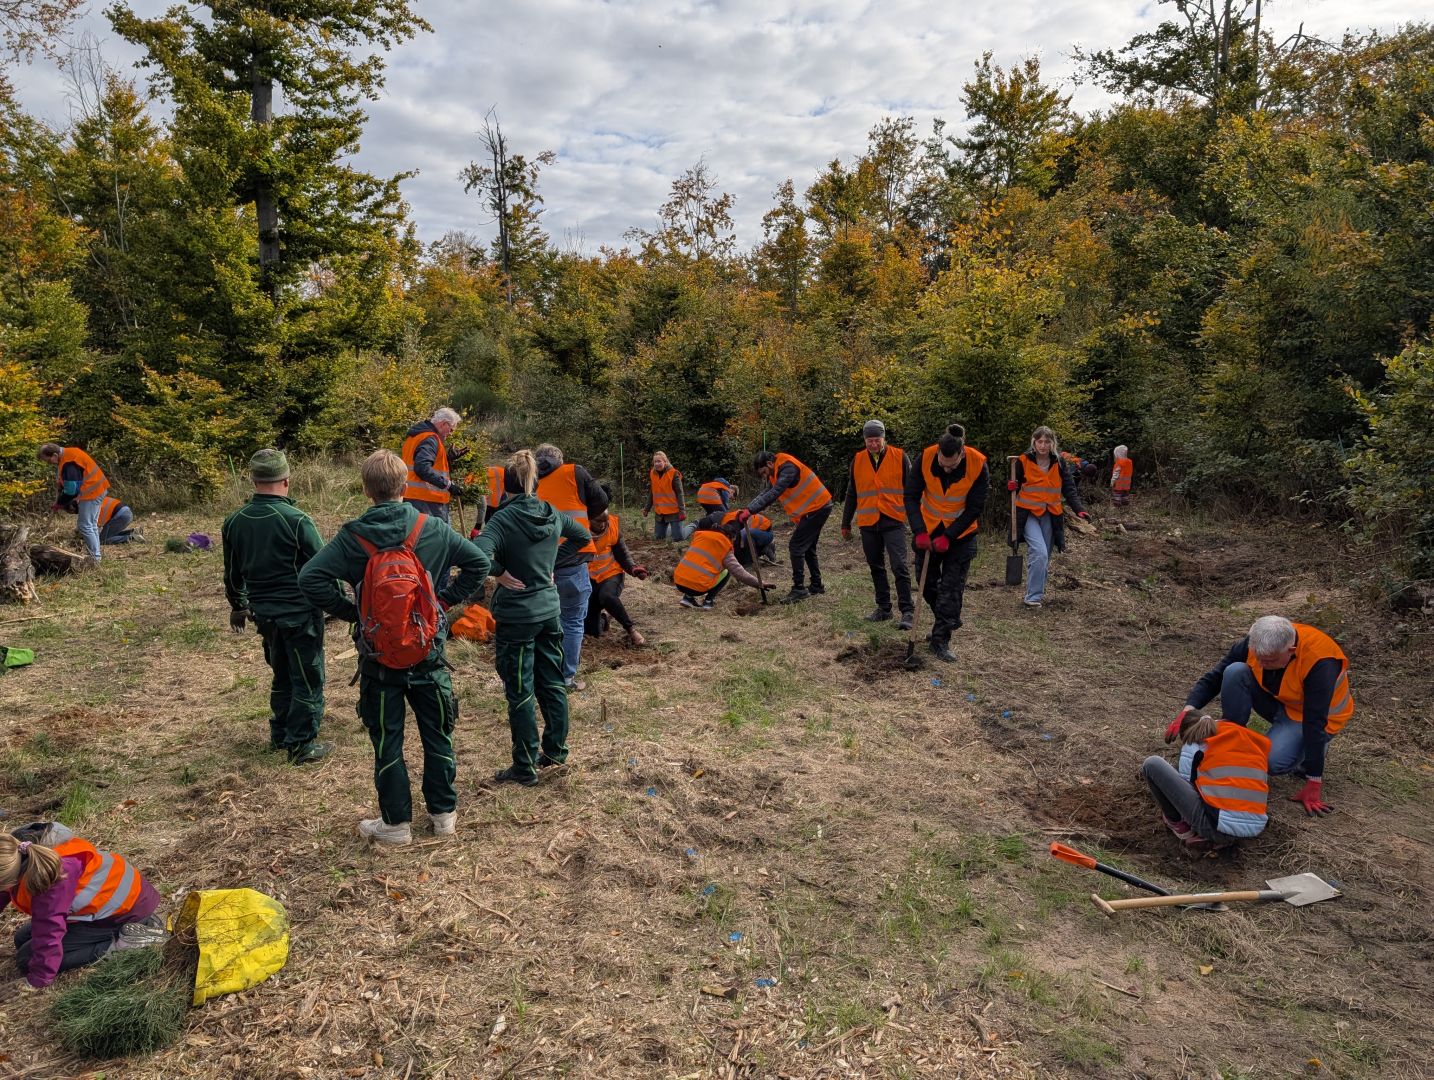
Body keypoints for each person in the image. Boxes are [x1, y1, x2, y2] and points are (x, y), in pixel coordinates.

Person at [299, 450, 490, 846]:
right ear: (405, 486)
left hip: (378, 656)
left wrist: (353, 612)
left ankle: (396, 824)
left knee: (387, 739)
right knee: (438, 734)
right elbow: (478, 563)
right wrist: (442, 603)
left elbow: (311, 578)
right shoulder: (432, 528)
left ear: (367, 490)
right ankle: (444, 816)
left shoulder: (353, 536)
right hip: (427, 652)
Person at [471, 450, 592, 786]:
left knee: (520, 690)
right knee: (552, 683)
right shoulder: (551, 513)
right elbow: (584, 539)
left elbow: (477, 555)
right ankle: (555, 752)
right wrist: (552, 563)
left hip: (517, 617)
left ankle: (524, 766)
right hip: (550, 612)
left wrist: (500, 571)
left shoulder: (502, 520)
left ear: (505, 487)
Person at [1169, 615, 1353, 818]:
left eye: (1270, 660)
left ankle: (1308, 754)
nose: (1262, 665)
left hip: (1313, 718)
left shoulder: (1321, 661)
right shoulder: (1255, 642)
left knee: (1270, 762)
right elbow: (1216, 676)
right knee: (1235, 671)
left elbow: (1315, 722)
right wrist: (1188, 709)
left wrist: (1314, 780)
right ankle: (1232, 738)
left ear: (1290, 651)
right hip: (1280, 700)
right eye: (1259, 658)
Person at [222, 449, 332, 765]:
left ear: (254, 480)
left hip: (264, 615)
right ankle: (300, 744)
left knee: (282, 674)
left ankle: (280, 734)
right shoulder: (297, 520)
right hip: (299, 615)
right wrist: (337, 602)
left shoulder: (234, 522)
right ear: (286, 480)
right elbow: (323, 566)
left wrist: (238, 606)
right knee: (308, 678)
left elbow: (232, 573)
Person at [1, 822, 166, 994]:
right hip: (109, 903)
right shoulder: (14, 850)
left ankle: (126, 944)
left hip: (124, 911)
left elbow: (49, 929)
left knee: (26, 959)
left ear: (10, 880)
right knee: (21, 939)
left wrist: (38, 979)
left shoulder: (49, 877)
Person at [903, 424, 988, 663]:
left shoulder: (978, 465)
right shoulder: (926, 457)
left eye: (951, 465)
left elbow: (974, 508)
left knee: (951, 589)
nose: (945, 467)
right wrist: (919, 531)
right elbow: (910, 495)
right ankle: (949, 616)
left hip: (960, 536)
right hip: (928, 531)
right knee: (926, 583)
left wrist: (949, 536)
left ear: (962, 454)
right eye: (942, 463)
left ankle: (940, 640)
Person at [535, 443, 609, 691]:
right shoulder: (574, 473)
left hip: (540, 562)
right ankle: (566, 677)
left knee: (544, 620)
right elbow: (601, 502)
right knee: (573, 620)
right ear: (560, 459)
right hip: (573, 558)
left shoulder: (528, 479)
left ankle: (542, 672)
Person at [1143, 714, 1271, 848]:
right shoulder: (1246, 740)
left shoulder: (1194, 742)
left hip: (1215, 828)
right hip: (1254, 827)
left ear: (1187, 733)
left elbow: (1185, 787)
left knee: (1152, 764)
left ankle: (1181, 827)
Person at [841, 419, 914, 629]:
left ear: (884, 438)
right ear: (864, 440)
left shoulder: (900, 457)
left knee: (899, 566)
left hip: (893, 520)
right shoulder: (858, 460)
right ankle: (884, 609)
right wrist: (845, 523)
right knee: (876, 566)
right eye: (869, 440)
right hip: (868, 523)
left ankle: (907, 611)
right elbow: (852, 492)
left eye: (877, 440)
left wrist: (918, 523)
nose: (873, 444)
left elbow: (911, 491)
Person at [1009, 425, 1089, 609]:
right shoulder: (1022, 461)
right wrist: (1011, 486)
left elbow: (1069, 488)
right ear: (1034, 443)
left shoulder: (1059, 462)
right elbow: (1015, 484)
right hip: (1027, 513)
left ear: (1052, 443)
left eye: (1047, 441)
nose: (1043, 445)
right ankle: (1033, 597)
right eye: (1040, 441)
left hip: (1051, 514)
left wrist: (1079, 509)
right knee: (1039, 552)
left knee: (1044, 556)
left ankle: (1035, 592)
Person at [743, 449, 831, 604]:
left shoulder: (787, 467)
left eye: (764, 472)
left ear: (769, 463)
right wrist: (748, 509)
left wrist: (751, 510)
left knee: (796, 546)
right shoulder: (775, 471)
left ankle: (799, 589)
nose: (765, 476)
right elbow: (767, 491)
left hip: (817, 507)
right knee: (807, 547)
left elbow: (775, 492)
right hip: (815, 508)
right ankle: (816, 585)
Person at [674, 515, 771, 609]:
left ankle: (688, 598)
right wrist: (758, 583)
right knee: (727, 572)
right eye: (733, 540)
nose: (732, 543)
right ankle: (708, 601)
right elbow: (739, 572)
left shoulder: (700, 536)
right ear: (729, 536)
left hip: (679, 581)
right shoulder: (724, 546)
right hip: (698, 587)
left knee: (696, 564)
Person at [584, 508, 648, 647]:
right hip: (589, 581)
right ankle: (605, 619)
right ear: (588, 519)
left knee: (607, 596)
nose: (602, 524)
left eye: (604, 521)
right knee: (592, 631)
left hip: (610, 575)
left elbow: (622, 555)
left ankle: (631, 630)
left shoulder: (612, 528)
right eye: (598, 521)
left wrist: (633, 569)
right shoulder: (578, 530)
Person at [39, 442, 109, 564]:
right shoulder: (69, 453)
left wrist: (60, 503)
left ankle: (95, 559)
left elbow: (71, 491)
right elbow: (73, 480)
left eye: (49, 461)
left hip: (92, 492)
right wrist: (62, 483)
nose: (50, 464)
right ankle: (95, 556)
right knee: (91, 525)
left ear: (55, 455)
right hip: (98, 489)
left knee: (85, 526)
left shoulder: (69, 463)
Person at [401, 407, 463, 522]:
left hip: (412, 496)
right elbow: (422, 468)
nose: (450, 434)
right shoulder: (430, 439)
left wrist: (448, 458)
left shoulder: (414, 436)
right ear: (444, 424)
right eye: (451, 429)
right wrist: (448, 485)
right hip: (427, 501)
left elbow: (419, 463)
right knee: (436, 537)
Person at [644, 451, 688, 542]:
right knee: (659, 538)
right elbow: (652, 492)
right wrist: (646, 509)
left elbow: (680, 493)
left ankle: (693, 525)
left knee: (678, 538)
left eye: (659, 461)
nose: (657, 464)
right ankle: (673, 529)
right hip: (660, 513)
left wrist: (682, 511)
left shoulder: (674, 473)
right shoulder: (652, 473)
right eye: (655, 462)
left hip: (674, 512)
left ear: (665, 461)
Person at [64, 495, 140, 544]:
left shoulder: (88, 509)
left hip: (121, 516)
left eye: (71, 511)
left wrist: (81, 536)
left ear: (73, 507)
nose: (72, 513)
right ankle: (133, 532)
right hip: (124, 513)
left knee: (102, 540)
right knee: (106, 534)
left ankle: (132, 538)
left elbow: (92, 529)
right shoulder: (88, 500)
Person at [471, 464, 507, 534]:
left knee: (493, 518)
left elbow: (481, 508)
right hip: (495, 498)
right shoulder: (500, 471)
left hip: (495, 499)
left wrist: (477, 527)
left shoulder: (474, 479)